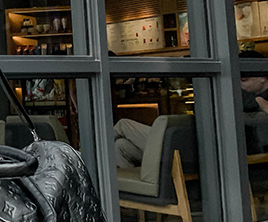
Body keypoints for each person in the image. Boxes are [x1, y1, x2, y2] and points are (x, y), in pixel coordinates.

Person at [113, 49, 268, 167]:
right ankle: (127, 195)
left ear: (262, 76)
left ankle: (97, 158)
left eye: (243, 80)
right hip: (196, 146)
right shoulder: (251, 101)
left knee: (123, 125)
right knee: (120, 146)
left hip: (196, 150)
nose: (239, 85)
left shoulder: (245, 99)